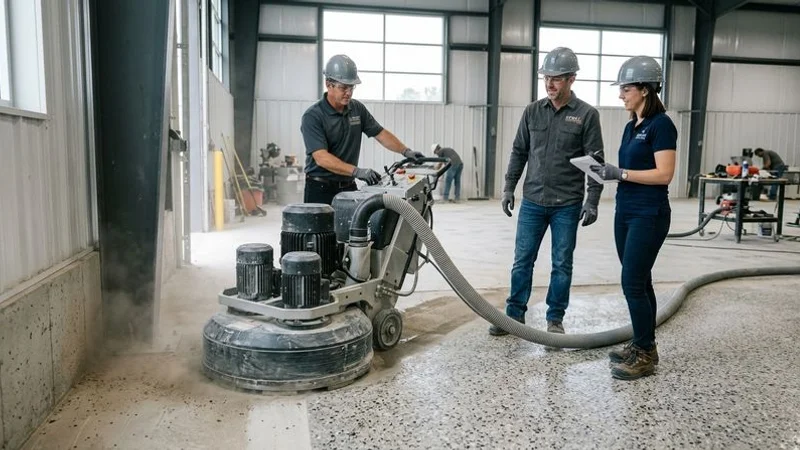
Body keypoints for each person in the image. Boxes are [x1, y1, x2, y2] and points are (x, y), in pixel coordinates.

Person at [489, 47, 604, 337]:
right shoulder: (532, 112)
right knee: (522, 261)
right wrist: (508, 188)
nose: (549, 84)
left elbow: (595, 161)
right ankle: (514, 316)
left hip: (567, 204)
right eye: (546, 78)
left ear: (571, 79)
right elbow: (519, 152)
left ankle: (555, 319)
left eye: (556, 78)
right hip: (533, 201)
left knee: (562, 264)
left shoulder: (586, 115)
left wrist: (592, 201)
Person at [589, 56, 676, 381]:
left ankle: (645, 355)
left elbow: (664, 174)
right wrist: (605, 170)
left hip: (648, 213)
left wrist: (621, 172)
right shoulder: (631, 127)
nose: (621, 94)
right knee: (641, 280)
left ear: (645, 89)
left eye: (626, 89)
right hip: (625, 210)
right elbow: (630, 170)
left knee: (632, 283)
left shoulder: (661, 125)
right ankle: (643, 344)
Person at [300, 54, 425, 205]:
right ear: (328, 84)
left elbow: (380, 133)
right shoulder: (313, 116)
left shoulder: (356, 109)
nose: (349, 92)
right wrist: (357, 171)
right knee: (321, 222)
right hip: (320, 189)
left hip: (348, 186)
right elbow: (321, 158)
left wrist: (406, 151)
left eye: (351, 87)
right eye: (343, 87)